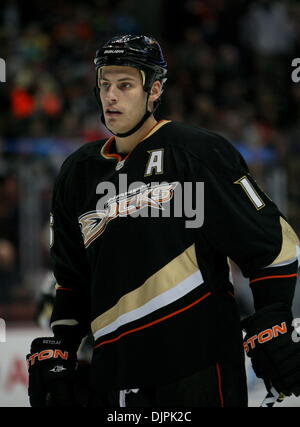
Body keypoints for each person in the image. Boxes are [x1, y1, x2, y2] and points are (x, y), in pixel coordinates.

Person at [26, 34, 300, 408]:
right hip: (115, 374)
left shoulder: (196, 152)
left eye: (125, 85)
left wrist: (274, 318)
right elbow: (71, 280)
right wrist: (62, 344)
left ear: (154, 91)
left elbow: (272, 244)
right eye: (104, 85)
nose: (110, 96)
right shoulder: (78, 173)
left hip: (198, 366)